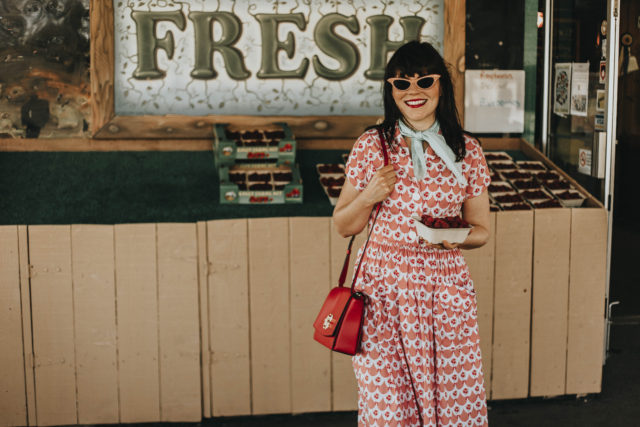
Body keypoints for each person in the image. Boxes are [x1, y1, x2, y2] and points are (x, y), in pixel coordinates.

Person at [333, 41, 491, 426]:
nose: (413, 91)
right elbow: (343, 225)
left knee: (451, 402)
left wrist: (451, 237)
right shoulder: (372, 145)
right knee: (388, 404)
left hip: (443, 289)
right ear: (391, 89)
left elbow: (482, 231)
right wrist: (369, 195)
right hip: (382, 293)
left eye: (424, 80)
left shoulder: (467, 150)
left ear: (441, 85)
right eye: (402, 83)